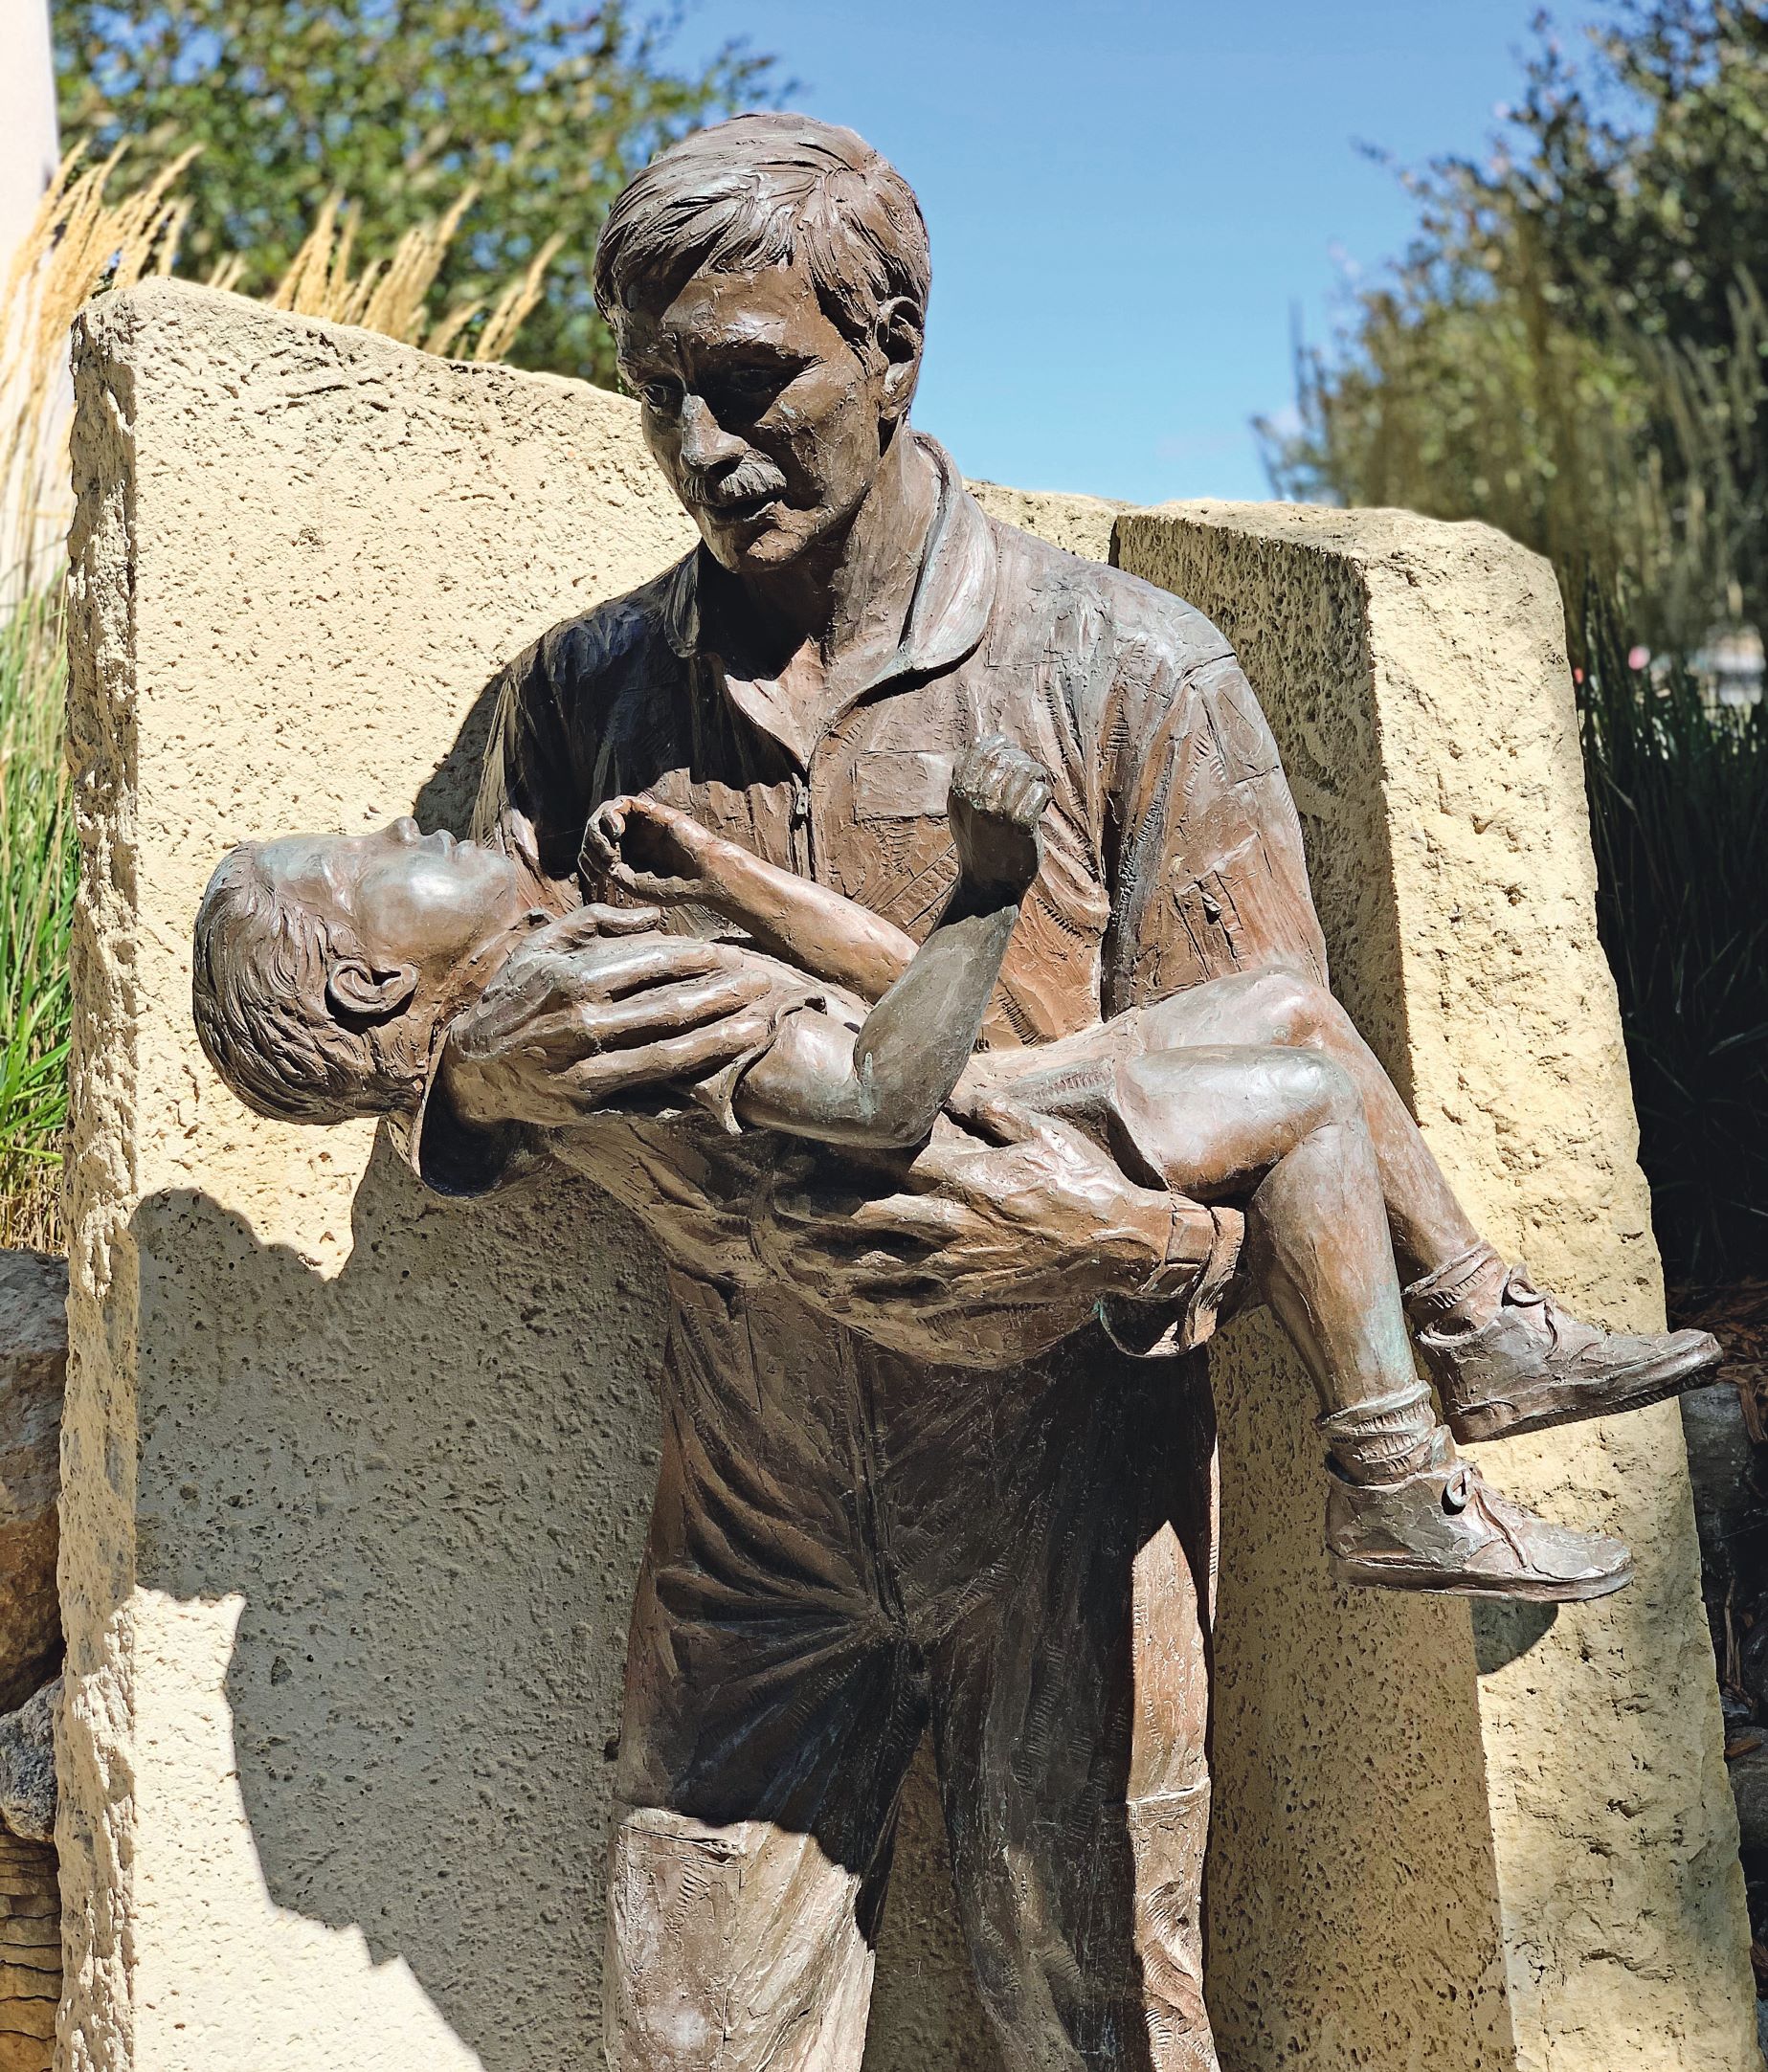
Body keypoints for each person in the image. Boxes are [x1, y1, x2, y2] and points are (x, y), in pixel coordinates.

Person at [235, 113, 1719, 2072]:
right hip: (748, 1525)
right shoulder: (578, 697)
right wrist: (486, 1088)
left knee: (1097, 2022)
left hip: (1065, 1504)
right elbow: (423, 1033)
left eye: (752, 385)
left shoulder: (1128, 672)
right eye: (659, 398)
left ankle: (1444, 1382)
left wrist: (1117, 1242)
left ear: (896, 350)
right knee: (691, 2036)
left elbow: (1268, 1093)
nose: (703, 449)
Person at [192, 743, 1647, 1607]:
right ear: (377, 984)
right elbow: (889, 1096)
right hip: (960, 1188)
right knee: (1310, 1102)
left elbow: (918, 1008)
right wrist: (996, 882)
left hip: (967, 1111)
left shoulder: (547, 1010)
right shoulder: (590, 1019)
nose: (409, 824)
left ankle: (1476, 1324)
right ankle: (1393, 1475)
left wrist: (731, 878)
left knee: (1289, 1007)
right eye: (374, 854)